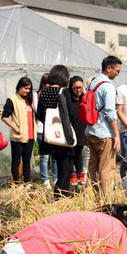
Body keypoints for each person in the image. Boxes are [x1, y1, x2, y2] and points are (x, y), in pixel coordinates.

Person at [37, 65, 83, 199]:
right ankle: (61, 197)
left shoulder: (44, 92)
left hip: (50, 136)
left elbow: (39, 114)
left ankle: (59, 195)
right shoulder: (64, 91)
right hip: (63, 136)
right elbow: (71, 112)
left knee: (56, 164)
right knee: (66, 169)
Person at [86, 56, 122, 195]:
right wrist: (116, 135)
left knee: (93, 167)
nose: (118, 74)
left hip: (91, 130)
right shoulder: (108, 86)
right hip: (104, 133)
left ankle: (94, 197)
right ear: (109, 68)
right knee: (107, 168)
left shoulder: (93, 83)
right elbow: (110, 114)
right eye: (117, 71)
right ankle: (106, 200)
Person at [2, 77, 37, 186]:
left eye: (29, 89)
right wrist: (15, 127)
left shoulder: (29, 100)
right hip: (18, 136)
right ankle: (16, 183)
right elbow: (4, 116)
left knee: (27, 161)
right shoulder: (12, 100)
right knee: (16, 161)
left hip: (30, 135)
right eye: (25, 88)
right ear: (19, 87)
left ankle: (27, 182)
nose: (27, 91)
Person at [36, 74, 57, 188]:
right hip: (41, 129)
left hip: (53, 128)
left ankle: (55, 178)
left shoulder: (52, 93)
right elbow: (38, 111)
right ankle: (45, 179)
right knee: (44, 156)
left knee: (54, 156)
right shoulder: (39, 94)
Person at [67, 76, 87, 186]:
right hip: (71, 129)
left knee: (79, 153)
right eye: (76, 88)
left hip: (81, 129)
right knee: (71, 153)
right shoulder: (68, 99)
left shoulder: (83, 99)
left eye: (81, 87)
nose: (78, 90)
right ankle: (72, 174)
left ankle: (80, 175)